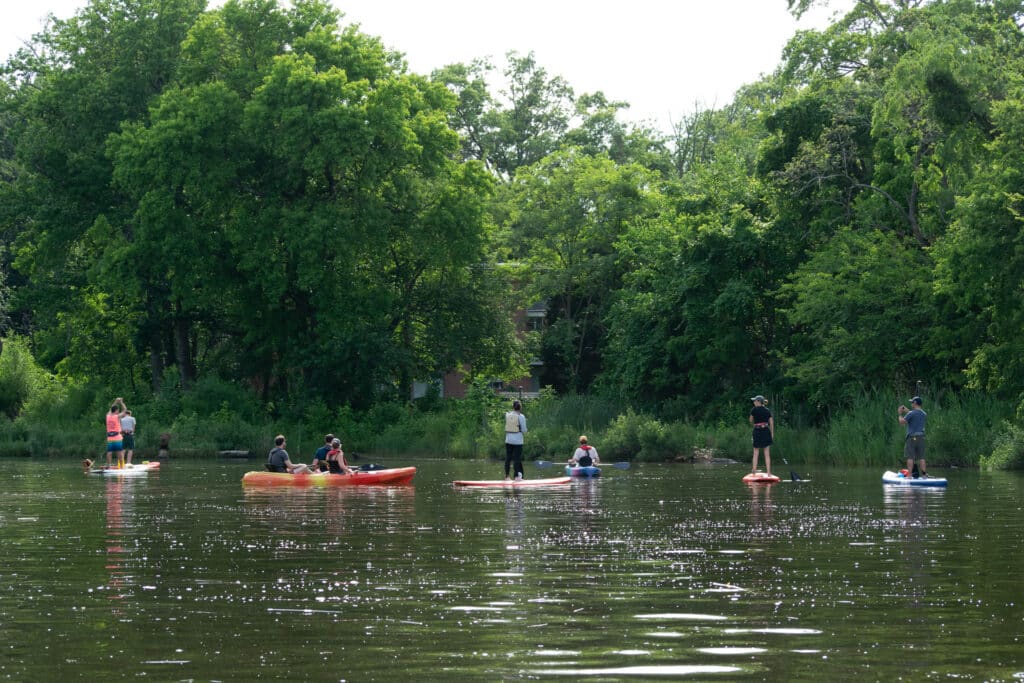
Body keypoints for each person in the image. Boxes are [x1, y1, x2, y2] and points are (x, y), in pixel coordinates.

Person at [898, 396, 928, 478]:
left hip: (912, 438)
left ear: (915, 403)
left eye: (912, 402)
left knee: (910, 457)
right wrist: (907, 411)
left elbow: (902, 422)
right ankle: (924, 475)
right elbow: (915, 414)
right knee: (921, 457)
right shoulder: (924, 413)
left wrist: (900, 413)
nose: (911, 403)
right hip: (921, 437)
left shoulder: (911, 414)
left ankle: (909, 476)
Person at [749, 395, 774, 476]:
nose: (754, 402)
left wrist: (755, 423)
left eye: (755, 401)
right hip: (766, 431)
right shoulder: (767, 410)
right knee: (767, 453)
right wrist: (772, 433)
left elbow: (750, 420)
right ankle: (769, 473)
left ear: (759, 401)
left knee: (756, 452)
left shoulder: (754, 410)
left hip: (757, 431)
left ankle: (754, 473)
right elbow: (771, 422)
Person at [504, 400, 528, 481]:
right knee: (517, 459)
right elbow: (524, 430)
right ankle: (517, 477)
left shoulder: (507, 415)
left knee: (508, 458)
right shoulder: (521, 417)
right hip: (518, 441)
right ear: (520, 407)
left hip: (508, 440)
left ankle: (507, 476)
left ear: (513, 407)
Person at [104, 397, 127, 469]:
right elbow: (125, 410)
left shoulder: (107, 416)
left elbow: (111, 409)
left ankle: (108, 466)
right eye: (118, 410)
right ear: (116, 410)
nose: (118, 411)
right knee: (119, 452)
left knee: (109, 452)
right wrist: (121, 402)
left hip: (110, 438)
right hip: (117, 437)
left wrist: (115, 401)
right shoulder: (117, 416)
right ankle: (122, 467)